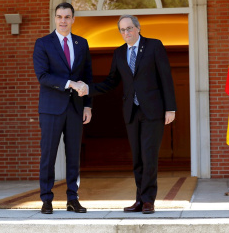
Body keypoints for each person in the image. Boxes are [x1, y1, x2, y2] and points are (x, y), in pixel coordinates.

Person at [72, 14, 176, 214]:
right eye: (122, 30)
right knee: (137, 158)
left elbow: (166, 77)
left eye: (129, 28)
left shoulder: (154, 46)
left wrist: (170, 108)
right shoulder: (119, 53)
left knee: (149, 157)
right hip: (131, 112)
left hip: (153, 110)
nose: (126, 33)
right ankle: (139, 199)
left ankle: (148, 201)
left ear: (138, 28)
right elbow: (112, 81)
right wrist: (88, 89)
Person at [33, 2, 93, 214]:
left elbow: (87, 76)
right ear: (55, 18)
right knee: (48, 154)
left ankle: (72, 198)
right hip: (51, 109)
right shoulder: (43, 43)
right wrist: (70, 83)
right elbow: (43, 76)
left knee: (73, 155)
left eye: (67, 17)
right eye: (59, 16)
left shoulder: (81, 43)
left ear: (73, 19)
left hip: (76, 108)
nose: (63, 20)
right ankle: (46, 199)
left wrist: (88, 105)